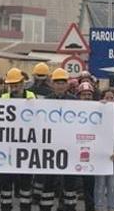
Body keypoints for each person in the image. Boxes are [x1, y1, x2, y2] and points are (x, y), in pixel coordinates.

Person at [39, 68, 78, 211]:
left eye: (63, 82)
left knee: (70, 184)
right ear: (52, 84)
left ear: (67, 84)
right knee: (48, 183)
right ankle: (46, 208)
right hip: (51, 150)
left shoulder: (75, 101)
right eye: (57, 82)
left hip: (69, 149)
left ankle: (69, 207)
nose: (60, 85)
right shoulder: (46, 101)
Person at [0, 68, 35, 211]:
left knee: (25, 184)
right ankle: (5, 207)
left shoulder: (32, 97)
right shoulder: (3, 98)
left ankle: (25, 208)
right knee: (6, 184)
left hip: (26, 148)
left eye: (16, 84)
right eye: (11, 84)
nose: (14, 87)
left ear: (22, 83)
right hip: (7, 149)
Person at [94, 88, 114, 211]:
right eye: (106, 97)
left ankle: (112, 208)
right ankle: (98, 207)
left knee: (112, 185)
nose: (109, 100)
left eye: (111, 98)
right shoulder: (95, 114)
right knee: (99, 184)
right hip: (100, 156)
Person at [76, 82, 96, 211]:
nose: (87, 97)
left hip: (90, 154)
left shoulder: (99, 109)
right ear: (79, 96)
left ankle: (90, 208)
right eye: (84, 94)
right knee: (70, 186)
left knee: (89, 186)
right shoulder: (72, 109)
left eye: (89, 94)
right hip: (73, 152)